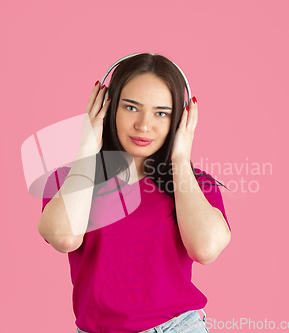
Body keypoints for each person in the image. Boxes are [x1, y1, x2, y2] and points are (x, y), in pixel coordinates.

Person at [38, 53, 232, 333]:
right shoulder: (71, 179)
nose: (144, 125)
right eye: (131, 108)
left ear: (180, 118)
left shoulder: (195, 184)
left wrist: (179, 159)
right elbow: (64, 238)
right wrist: (86, 150)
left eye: (161, 113)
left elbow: (206, 250)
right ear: (108, 107)